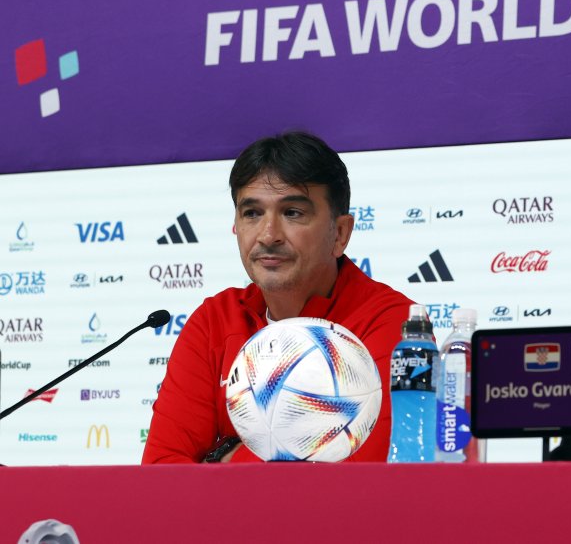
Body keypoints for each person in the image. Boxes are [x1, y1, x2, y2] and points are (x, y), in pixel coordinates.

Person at [143, 131, 415, 463]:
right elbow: (162, 475)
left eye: (292, 213)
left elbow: (361, 468)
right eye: (252, 213)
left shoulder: (395, 323)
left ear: (340, 233)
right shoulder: (214, 320)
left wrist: (219, 461)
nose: (268, 235)